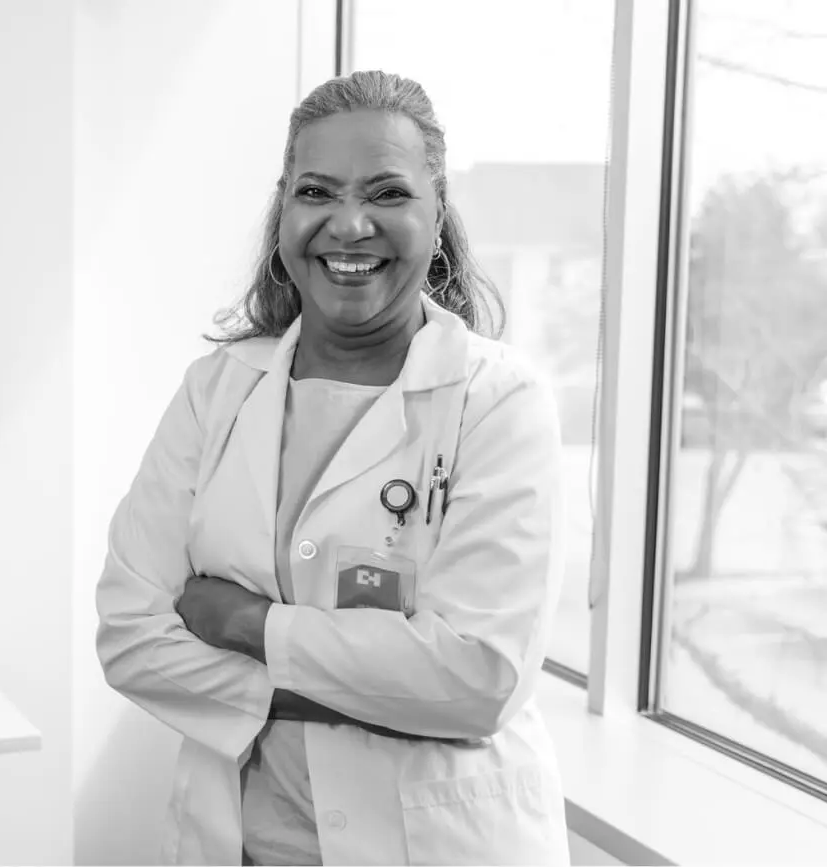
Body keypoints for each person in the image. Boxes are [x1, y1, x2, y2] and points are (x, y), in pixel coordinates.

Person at [97, 70, 569, 866]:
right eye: (317, 191)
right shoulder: (219, 390)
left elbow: (480, 680)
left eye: (387, 193)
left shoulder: (499, 401)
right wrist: (385, 688)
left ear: (437, 210)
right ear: (285, 206)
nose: (349, 225)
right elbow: (130, 637)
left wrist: (248, 626)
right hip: (244, 842)